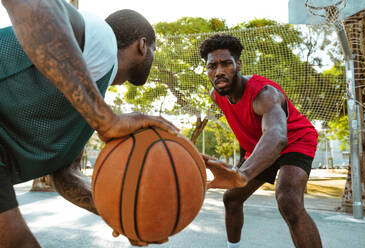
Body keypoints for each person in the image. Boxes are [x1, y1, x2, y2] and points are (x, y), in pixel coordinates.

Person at [0, 0, 178, 247]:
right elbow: (30, 4)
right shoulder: (102, 39)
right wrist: (106, 120)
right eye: (154, 49)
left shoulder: (87, 93)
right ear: (142, 45)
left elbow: (64, 174)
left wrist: (122, 214)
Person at [199, 34, 322, 248]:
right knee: (232, 199)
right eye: (212, 66)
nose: (219, 71)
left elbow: (276, 135)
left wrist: (243, 173)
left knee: (288, 200)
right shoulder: (216, 95)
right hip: (259, 146)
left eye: (226, 64)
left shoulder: (264, 94)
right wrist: (242, 162)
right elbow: (244, 126)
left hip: (294, 140)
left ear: (238, 64)